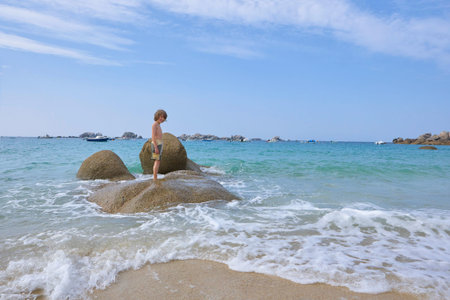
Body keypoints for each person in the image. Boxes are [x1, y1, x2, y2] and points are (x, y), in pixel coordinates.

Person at [151, 109, 167, 180]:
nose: (162, 118)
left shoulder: (158, 124)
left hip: (159, 144)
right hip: (156, 144)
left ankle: (155, 177)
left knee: (158, 161)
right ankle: (155, 178)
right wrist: (156, 147)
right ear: (157, 116)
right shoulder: (154, 124)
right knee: (157, 161)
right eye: (161, 116)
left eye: (163, 117)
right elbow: (153, 136)